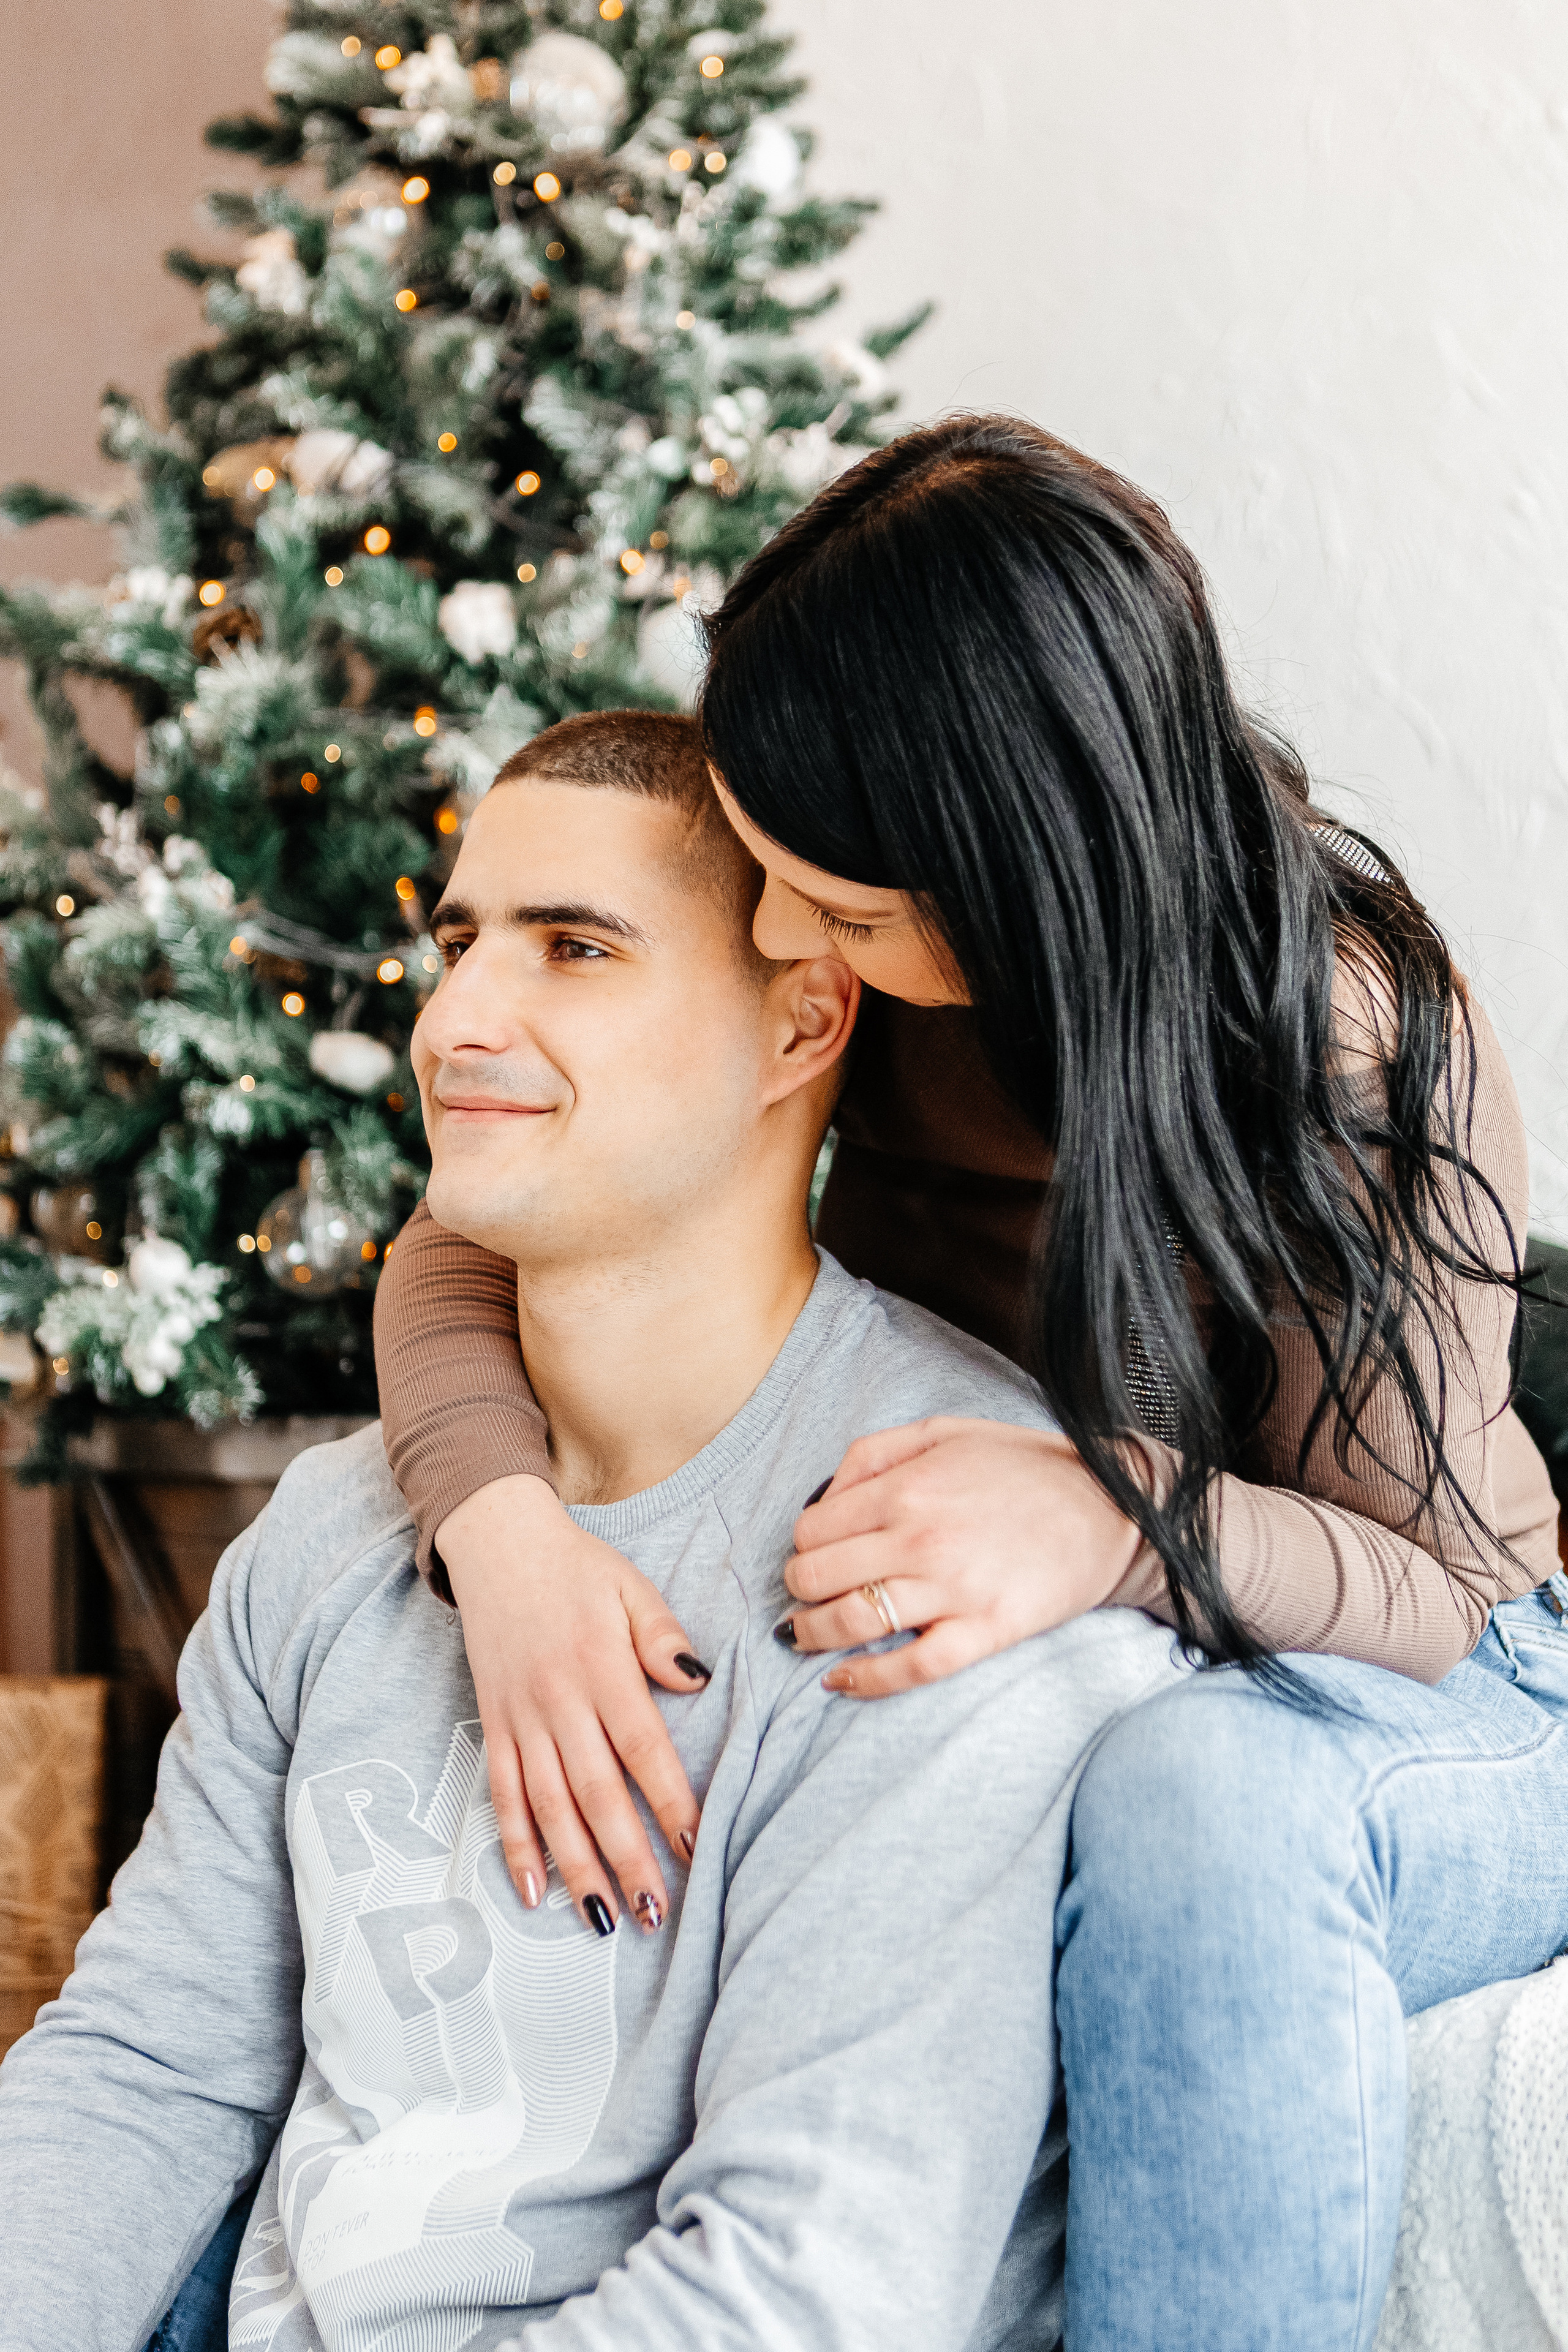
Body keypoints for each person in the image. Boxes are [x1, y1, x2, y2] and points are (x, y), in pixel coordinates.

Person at [371, 420, 1568, 2350]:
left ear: (1007, 860)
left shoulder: (1347, 1049)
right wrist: (495, 1531)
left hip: (1461, 1686)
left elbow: (1432, 1595)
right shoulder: (878, 989)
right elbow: (504, 1211)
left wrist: (1115, 1519)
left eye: (834, 905)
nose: (774, 937)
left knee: (1203, 1791)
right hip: (1104, 1632)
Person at [0, 710, 1187, 2352]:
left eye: (576, 948)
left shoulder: (935, 1560)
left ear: (803, 1023)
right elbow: (148, 2068)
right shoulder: (336, 1533)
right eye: (459, 939)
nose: (459, 1019)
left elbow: (808, 2295)